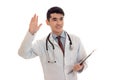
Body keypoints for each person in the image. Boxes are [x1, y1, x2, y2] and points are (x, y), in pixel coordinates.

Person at [18, 6, 87, 80]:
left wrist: (81, 67)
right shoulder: (41, 44)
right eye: (55, 20)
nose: (59, 23)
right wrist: (31, 33)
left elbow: (84, 61)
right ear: (47, 22)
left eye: (61, 19)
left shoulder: (75, 40)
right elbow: (23, 54)